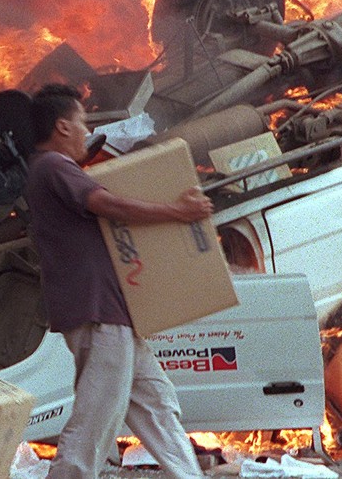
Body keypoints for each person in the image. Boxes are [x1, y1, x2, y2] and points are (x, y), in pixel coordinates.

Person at [24, 83, 213, 479]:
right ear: (62, 127)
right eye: (82, 123)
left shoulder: (49, 169)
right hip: (97, 312)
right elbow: (105, 204)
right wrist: (176, 212)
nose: (87, 132)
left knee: (157, 403)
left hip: (112, 311)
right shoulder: (54, 166)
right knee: (96, 417)